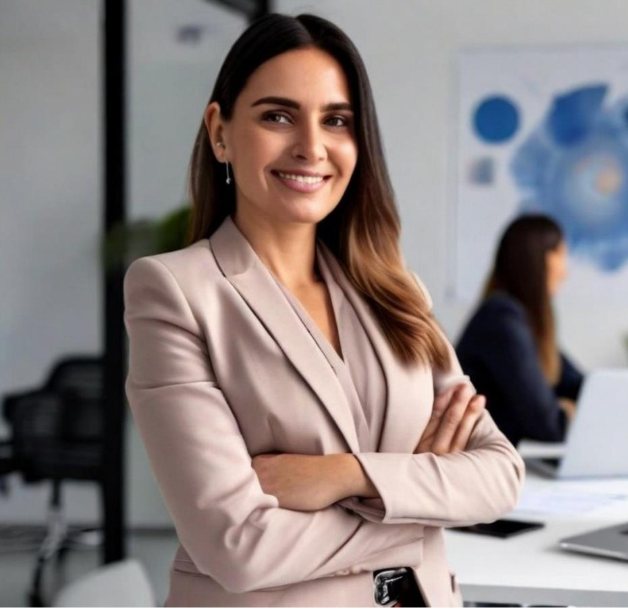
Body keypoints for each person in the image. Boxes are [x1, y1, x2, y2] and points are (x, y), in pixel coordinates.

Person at [123, 14, 523, 607]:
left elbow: (500, 477)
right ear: (220, 132)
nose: (312, 147)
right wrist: (422, 498)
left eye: (336, 120)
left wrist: (344, 476)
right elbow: (238, 546)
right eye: (277, 116)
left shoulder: (396, 293)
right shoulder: (175, 290)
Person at [456, 215, 585, 446]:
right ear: (541, 258)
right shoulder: (501, 318)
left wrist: (575, 405)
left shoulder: (523, 323)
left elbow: (578, 385)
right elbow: (548, 425)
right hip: (481, 464)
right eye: (562, 255)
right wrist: (567, 410)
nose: (565, 272)